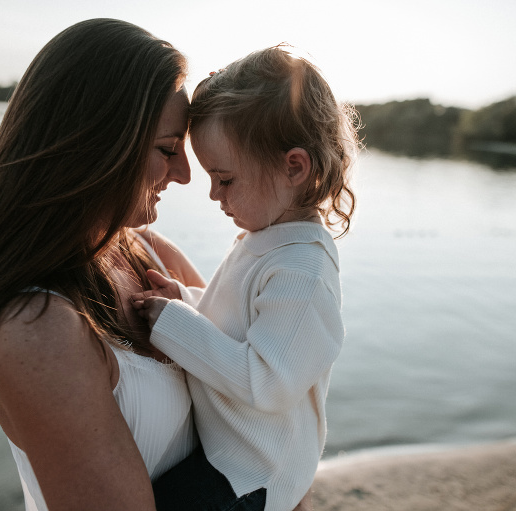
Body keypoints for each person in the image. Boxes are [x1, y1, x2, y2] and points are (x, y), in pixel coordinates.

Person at [0, 19, 206, 510]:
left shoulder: (152, 254)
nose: (186, 174)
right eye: (168, 149)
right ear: (97, 143)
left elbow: (264, 371)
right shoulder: (36, 328)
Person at [131, 45, 359, 511]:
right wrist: (190, 300)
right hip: (230, 458)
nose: (212, 193)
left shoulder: (305, 270)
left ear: (293, 167)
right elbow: (240, 324)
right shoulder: (270, 237)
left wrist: (173, 322)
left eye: (226, 178)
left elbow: (266, 383)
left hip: (252, 479)